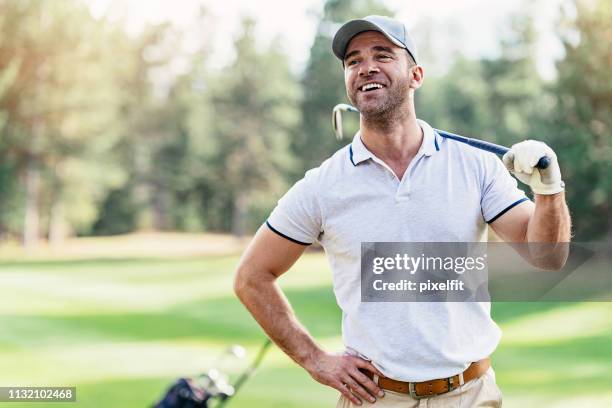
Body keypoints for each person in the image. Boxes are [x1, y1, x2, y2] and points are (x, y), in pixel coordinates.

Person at [233, 15, 571, 408]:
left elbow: (548, 257)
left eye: (383, 54)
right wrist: (315, 360)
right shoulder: (322, 186)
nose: (366, 67)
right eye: (353, 60)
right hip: (377, 398)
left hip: (470, 395)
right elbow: (251, 277)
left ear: (416, 75)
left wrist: (549, 189)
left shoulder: (475, 165)